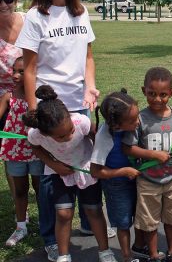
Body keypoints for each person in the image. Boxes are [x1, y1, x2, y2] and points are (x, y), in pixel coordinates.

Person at [15, 0, 112, 261]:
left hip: (79, 105)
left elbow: (88, 56)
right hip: (49, 106)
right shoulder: (35, 16)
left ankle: (89, 220)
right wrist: (33, 111)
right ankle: (51, 238)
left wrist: (91, 85)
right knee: (51, 176)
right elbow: (29, 69)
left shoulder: (79, 11)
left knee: (85, 167)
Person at [23, 85, 115, 262]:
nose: (69, 137)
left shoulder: (81, 122)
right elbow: (34, 148)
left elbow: (96, 137)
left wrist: (98, 163)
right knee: (63, 214)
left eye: (70, 131)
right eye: (61, 137)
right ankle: (64, 256)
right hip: (60, 172)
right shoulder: (36, 135)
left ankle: (105, 251)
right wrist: (53, 164)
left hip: (85, 168)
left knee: (94, 210)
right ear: (44, 133)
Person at [123, 67, 172, 262]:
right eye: (151, 94)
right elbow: (128, 148)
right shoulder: (139, 118)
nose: (157, 99)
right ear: (144, 91)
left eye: (163, 95)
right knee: (149, 221)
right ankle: (153, 255)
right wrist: (152, 154)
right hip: (148, 180)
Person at [90, 90, 143, 262]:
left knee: (140, 216)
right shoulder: (105, 136)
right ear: (116, 125)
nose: (138, 122)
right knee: (123, 223)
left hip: (135, 180)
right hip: (117, 185)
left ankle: (140, 248)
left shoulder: (129, 125)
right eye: (133, 120)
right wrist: (123, 172)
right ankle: (127, 256)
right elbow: (95, 171)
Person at [0, 56, 42, 247]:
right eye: (14, 71)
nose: (15, 76)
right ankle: (20, 227)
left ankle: (45, 222)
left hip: (36, 151)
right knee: (20, 190)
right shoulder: (8, 97)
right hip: (14, 151)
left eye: (21, 71)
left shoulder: (39, 99)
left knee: (41, 188)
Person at [0, 0, 24, 208]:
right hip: (4, 101)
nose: (3, 4)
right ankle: (21, 212)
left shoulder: (29, 21)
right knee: (11, 155)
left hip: (31, 97)